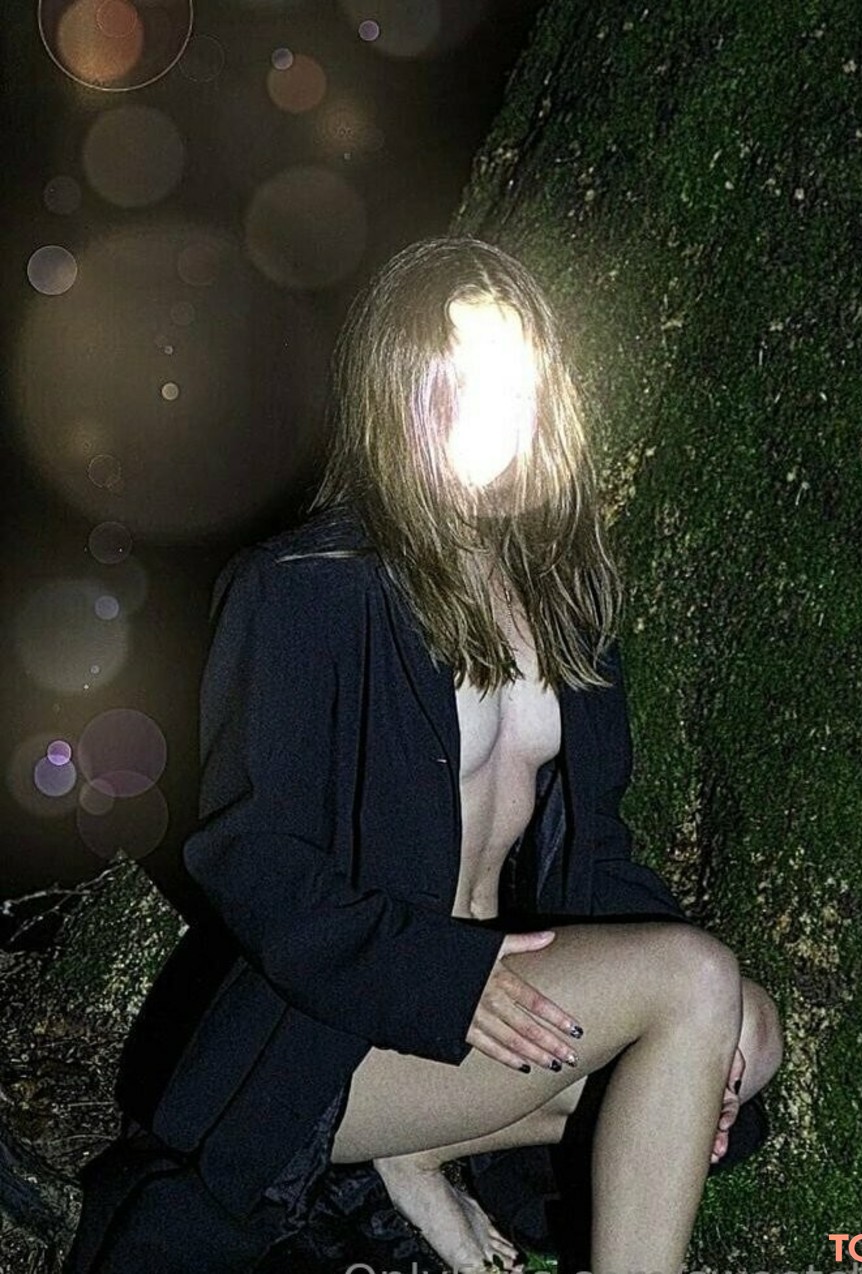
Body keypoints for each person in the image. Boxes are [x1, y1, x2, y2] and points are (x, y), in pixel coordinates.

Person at [64, 236, 783, 1274]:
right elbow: (252, 858)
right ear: (401, 402)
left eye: (517, 387)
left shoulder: (567, 607)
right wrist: (445, 980)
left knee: (747, 1028)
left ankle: (419, 1152)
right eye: (463, 388)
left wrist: (692, 1010)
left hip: (495, 1016)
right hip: (335, 1032)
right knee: (696, 985)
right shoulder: (305, 586)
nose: (499, 422)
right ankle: (406, 1156)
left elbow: (596, 854)